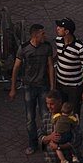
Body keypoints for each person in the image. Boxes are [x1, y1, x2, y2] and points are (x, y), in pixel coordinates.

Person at [10, 22, 56, 154]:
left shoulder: (47, 47)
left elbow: (50, 66)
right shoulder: (24, 48)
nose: (45, 35)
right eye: (42, 33)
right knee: (30, 117)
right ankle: (33, 143)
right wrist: (13, 88)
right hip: (29, 87)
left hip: (43, 86)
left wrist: (52, 86)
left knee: (45, 115)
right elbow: (16, 68)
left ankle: (46, 141)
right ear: (35, 35)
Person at [54, 18, 83, 116]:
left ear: (66, 31)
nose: (57, 28)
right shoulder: (58, 41)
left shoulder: (81, 48)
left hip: (74, 87)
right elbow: (58, 55)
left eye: (60, 27)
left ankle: (74, 130)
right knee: (60, 110)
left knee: (73, 112)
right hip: (60, 84)